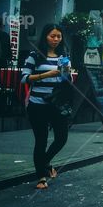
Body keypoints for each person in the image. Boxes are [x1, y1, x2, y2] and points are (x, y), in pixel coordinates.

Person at [21, 24, 73, 190]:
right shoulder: (35, 55)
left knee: (61, 138)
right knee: (41, 140)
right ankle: (41, 177)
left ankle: (45, 163)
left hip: (57, 105)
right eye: (52, 36)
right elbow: (24, 78)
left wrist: (67, 74)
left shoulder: (64, 56)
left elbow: (68, 80)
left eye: (59, 36)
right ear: (45, 36)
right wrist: (46, 74)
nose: (56, 39)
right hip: (38, 105)